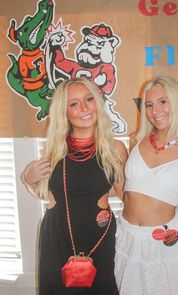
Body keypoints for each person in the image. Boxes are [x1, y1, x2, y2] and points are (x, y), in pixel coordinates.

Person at [21, 77, 127, 295]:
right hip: (56, 237)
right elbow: (47, 195)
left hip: (98, 236)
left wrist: (166, 204)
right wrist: (28, 179)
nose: (84, 108)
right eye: (74, 104)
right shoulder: (55, 148)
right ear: (64, 111)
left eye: (89, 99)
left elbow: (128, 196)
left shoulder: (114, 148)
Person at [114, 75, 178, 295]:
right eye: (149, 105)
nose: (156, 111)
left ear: (175, 102)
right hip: (127, 239)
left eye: (162, 102)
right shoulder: (136, 141)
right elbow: (129, 192)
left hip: (167, 244)